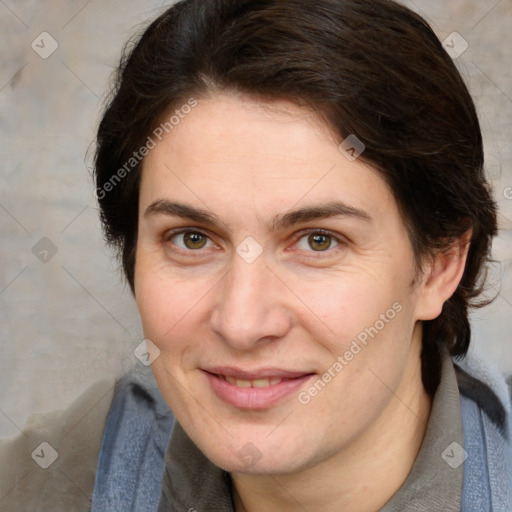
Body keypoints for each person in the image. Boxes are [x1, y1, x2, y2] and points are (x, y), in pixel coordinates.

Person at [1, 0, 511, 510]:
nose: (242, 323)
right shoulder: (50, 482)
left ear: (439, 266)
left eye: (318, 241)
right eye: (192, 239)